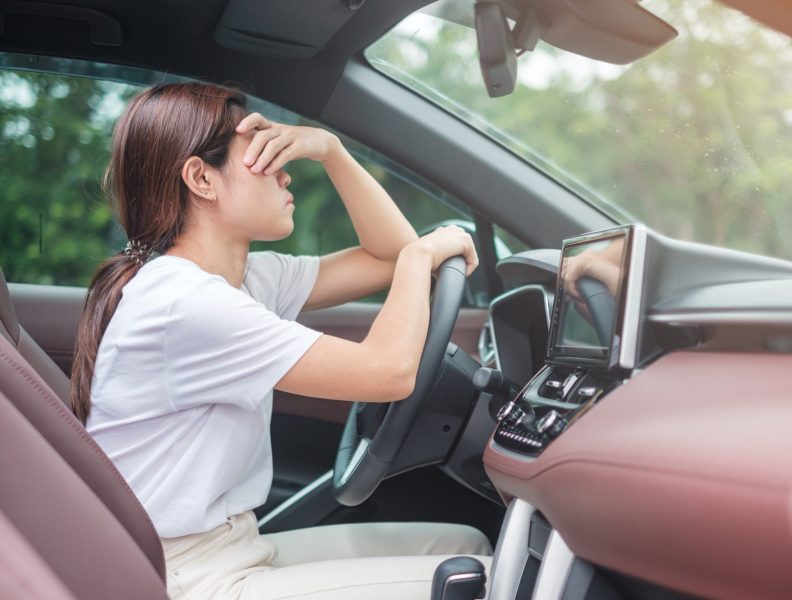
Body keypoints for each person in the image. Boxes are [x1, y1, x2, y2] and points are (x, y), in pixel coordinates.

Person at [72, 82, 491, 600]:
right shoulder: (185, 301)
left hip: (233, 547)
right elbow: (389, 371)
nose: (287, 172)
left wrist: (332, 151)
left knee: (465, 543)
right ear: (202, 178)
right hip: (186, 578)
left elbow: (390, 253)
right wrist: (415, 260)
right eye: (266, 160)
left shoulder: (243, 278)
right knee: (486, 579)